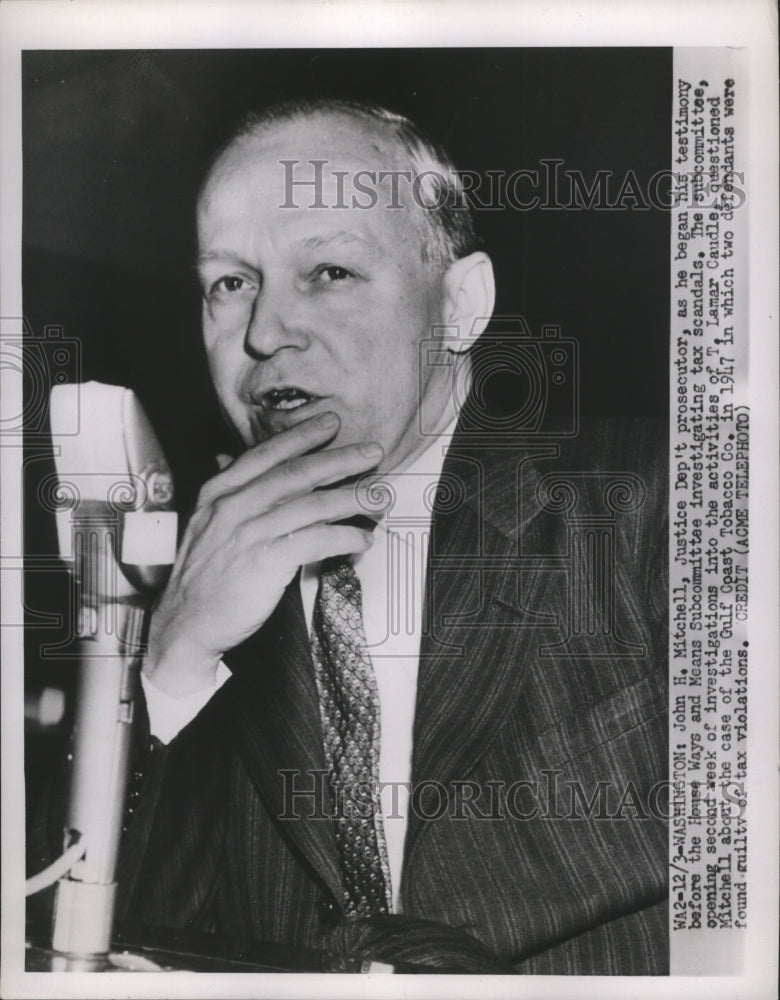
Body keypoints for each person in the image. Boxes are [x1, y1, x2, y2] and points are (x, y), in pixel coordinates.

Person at [34, 98, 669, 974]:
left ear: (459, 304)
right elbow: (99, 944)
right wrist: (172, 666)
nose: (261, 333)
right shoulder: (206, 593)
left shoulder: (660, 504)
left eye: (327, 270)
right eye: (229, 281)